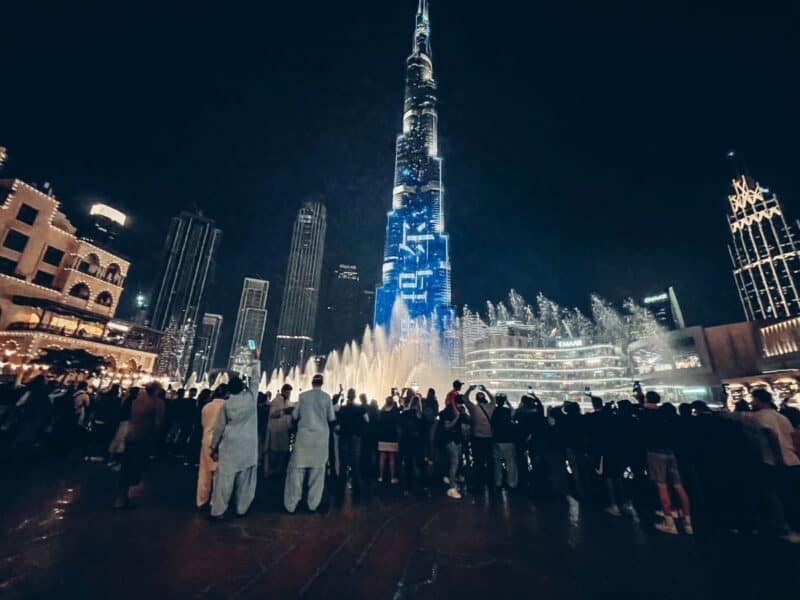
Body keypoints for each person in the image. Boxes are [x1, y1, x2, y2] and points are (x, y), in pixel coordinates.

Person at [743, 388, 800, 542]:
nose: (751, 402)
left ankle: (788, 529)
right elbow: (793, 437)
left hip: (774, 462)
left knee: (778, 497)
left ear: (760, 400)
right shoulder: (781, 416)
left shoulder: (762, 416)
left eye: (753, 399)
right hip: (793, 460)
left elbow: (771, 435)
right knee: (793, 495)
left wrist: (778, 458)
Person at [210, 369, 260, 519]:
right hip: (248, 444)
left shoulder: (227, 404)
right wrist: (255, 359)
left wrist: (213, 447)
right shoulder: (251, 398)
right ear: (243, 387)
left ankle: (218, 511)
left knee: (224, 479)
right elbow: (256, 379)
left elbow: (219, 427)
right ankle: (241, 508)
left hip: (230, 444)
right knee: (246, 479)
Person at [641, 391, 693, 535]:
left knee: (662, 487)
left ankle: (669, 522)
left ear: (647, 400)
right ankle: (688, 522)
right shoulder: (666, 414)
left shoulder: (645, 415)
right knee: (679, 486)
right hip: (670, 453)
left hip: (655, 453)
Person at [284, 374, 336, 513]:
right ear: (322, 383)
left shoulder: (303, 396)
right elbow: (331, 418)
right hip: (320, 440)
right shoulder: (326, 397)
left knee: (296, 471)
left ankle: (292, 504)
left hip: (303, 439)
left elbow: (295, 416)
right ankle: (312, 504)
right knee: (317, 473)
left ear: (312, 383)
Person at [114, 382, 165, 509]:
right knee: (136, 467)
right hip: (144, 437)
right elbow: (158, 423)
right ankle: (122, 499)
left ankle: (121, 497)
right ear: (156, 390)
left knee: (126, 466)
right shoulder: (157, 403)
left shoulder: (136, 400)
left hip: (131, 435)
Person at [196, 385, 227, 509]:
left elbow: (203, 424)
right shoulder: (225, 407)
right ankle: (215, 502)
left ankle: (201, 500)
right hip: (218, 441)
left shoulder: (207, 406)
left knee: (204, 471)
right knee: (218, 474)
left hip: (205, 439)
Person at [438, 390, 470, 499]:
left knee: (456, 461)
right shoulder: (448, 412)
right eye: (460, 403)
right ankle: (451, 488)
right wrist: (457, 417)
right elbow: (447, 426)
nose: (462, 405)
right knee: (454, 462)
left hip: (456, 440)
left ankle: (452, 481)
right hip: (449, 440)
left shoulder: (459, 412)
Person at [464, 384, 495, 491]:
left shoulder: (474, 409)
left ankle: (478, 484)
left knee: (478, 462)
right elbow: (493, 399)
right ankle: (491, 484)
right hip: (489, 438)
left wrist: (470, 389)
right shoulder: (490, 408)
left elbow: (465, 399)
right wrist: (485, 389)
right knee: (490, 461)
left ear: (476, 399)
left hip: (477, 439)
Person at [337, 388, 367, 494]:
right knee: (355, 462)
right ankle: (356, 487)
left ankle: (340, 486)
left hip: (344, 437)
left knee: (343, 463)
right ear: (354, 396)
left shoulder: (342, 409)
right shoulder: (360, 408)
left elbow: (337, 423)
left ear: (347, 397)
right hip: (356, 437)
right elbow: (367, 420)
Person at [264, 384, 293, 477]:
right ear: (283, 391)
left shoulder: (288, 402)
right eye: (288, 392)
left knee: (283, 454)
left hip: (284, 432)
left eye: (290, 392)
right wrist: (284, 411)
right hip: (276, 431)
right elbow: (272, 414)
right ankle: (272, 474)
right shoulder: (276, 401)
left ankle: (279, 473)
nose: (289, 394)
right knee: (275, 454)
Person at [399, 393, 426, 493]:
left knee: (408, 465)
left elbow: (401, 428)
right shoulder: (421, 416)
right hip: (418, 443)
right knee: (420, 464)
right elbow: (425, 432)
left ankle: (408, 487)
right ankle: (423, 485)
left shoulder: (405, 414)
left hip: (407, 442)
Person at [490, 392, 518, 490]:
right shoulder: (507, 411)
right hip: (508, 440)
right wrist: (508, 402)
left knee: (497, 463)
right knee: (510, 463)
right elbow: (514, 413)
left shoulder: (493, 412)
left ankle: (498, 482)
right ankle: (511, 483)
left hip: (496, 440)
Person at [377, 393, 401, 484]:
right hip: (392, 436)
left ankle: (380, 476)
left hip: (382, 436)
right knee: (392, 457)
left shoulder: (382, 412)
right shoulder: (395, 412)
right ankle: (392, 477)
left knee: (382, 457)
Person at [422, 388, 439, 466]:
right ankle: (431, 458)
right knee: (431, 441)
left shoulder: (424, 401)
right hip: (432, 423)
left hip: (424, 423)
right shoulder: (435, 402)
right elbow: (436, 413)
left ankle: (425, 456)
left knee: (425, 440)